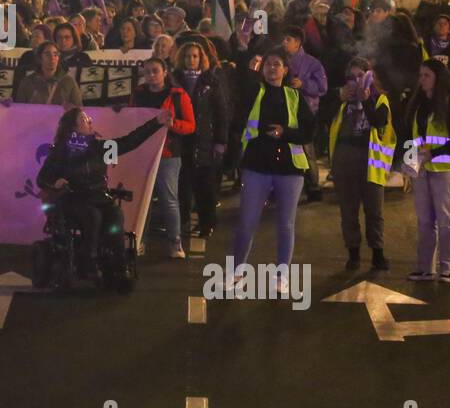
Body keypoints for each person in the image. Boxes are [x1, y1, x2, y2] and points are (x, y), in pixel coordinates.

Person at [36, 105, 169, 279]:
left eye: (88, 118)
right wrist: (56, 182)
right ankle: (88, 261)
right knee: (93, 216)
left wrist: (156, 123)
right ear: (73, 128)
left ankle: (119, 264)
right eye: (84, 120)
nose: (90, 121)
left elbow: (128, 142)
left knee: (115, 215)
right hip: (74, 198)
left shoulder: (99, 148)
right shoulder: (61, 150)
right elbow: (42, 178)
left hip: (99, 197)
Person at [229, 48, 316, 295]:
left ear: (286, 70)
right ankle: (236, 272)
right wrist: (247, 60)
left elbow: (310, 130)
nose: (272, 68)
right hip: (257, 164)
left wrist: (285, 133)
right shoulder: (255, 91)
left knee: (285, 224)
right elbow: (240, 95)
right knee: (247, 221)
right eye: (268, 64)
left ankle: (282, 276)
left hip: (289, 169)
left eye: (277, 64)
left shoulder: (294, 96)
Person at [403, 59, 450, 282]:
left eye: (426, 75)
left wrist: (434, 153)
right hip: (421, 170)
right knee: (424, 220)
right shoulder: (418, 105)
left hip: (442, 169)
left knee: (445, 218)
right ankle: (425, 267)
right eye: (420, 75)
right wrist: (409, 167)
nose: (421, 80)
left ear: (438, 78)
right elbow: (410, 135)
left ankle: (448, 265)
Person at [328, 57, 395, 271]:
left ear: (369, 77)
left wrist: (366, 100)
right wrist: (338, 97)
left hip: (371, 163)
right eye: (352, 77)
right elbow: (320, 117)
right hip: (345, 161)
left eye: (360, 76)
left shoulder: (379, 100)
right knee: (348, 211)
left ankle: (378, 253)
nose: (356, 81)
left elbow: (379, 121)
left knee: (374, 212)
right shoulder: (342, 102)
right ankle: (353, 253)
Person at [129, 57, 196, 258]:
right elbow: (131, 118)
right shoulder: (139, 93)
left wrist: (173, 125)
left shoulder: (178, 95)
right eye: (147, 71)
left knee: (168, 199)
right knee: (143, 200)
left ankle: (175, 241)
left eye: (155, 71)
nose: (151, 75)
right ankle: (139, 240)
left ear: (165, 72)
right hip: (143, 151)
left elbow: (191, 125)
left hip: (168, 153)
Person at [174, 40, 230, 240]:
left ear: (201, 59)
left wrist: (220, 142)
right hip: (180, 140)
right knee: (182, 185)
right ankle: (182, 223)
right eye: (188, 56)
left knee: (204, 186)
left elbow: (221, 113)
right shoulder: (174, 81)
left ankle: (207, 223)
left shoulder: (210, 82)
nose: (191, 60)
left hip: (204, 140)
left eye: (195, 56)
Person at [282, 26, 327, 203]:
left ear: (298, 42)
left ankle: (313, 186)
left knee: (307, 150)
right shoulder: (279, 60)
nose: (284, 42)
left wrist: (304, 84)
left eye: (288, 39)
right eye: (284, 39)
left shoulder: (312, 63)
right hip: (285, 111)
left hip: (306, 112)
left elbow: (323, 88)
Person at [14, 42, 82, 108]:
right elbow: (19, 108)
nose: (52, 58)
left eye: (55, 54)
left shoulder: (68, 81)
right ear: (40, 58)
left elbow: (78, 107)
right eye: (47, 54)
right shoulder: (27, 82)